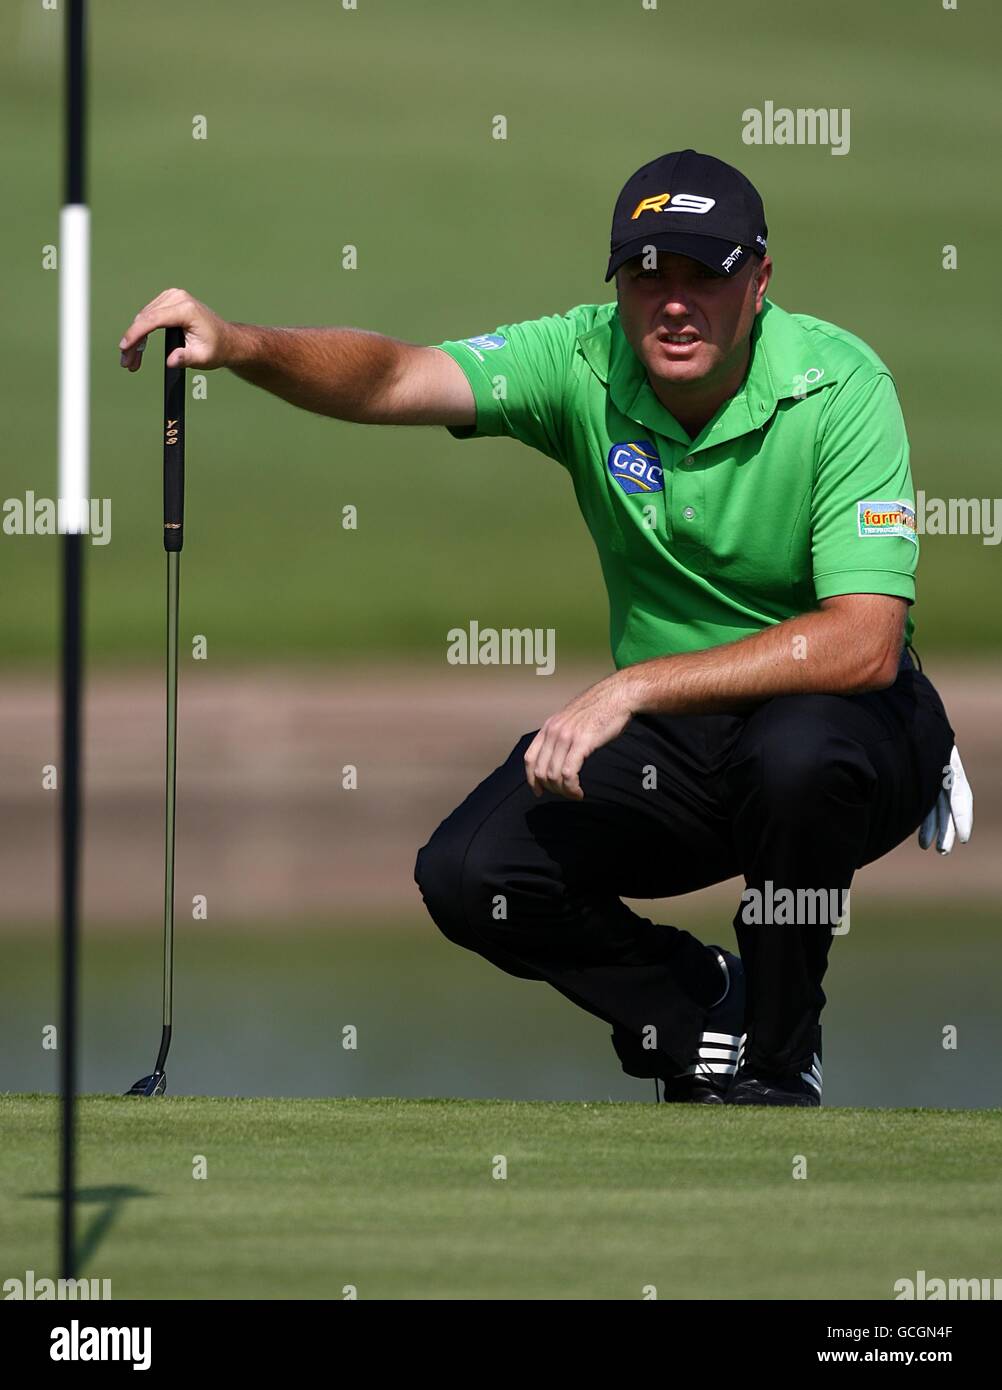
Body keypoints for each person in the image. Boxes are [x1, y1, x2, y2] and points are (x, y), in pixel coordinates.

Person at [119, 149, 971, 1106]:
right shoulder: (581, 357)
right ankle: (704, 1011)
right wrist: (241, 344)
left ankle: (779, 1060)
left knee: (796, 758)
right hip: (689, 748)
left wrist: (632, 686)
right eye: (650, 275)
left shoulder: (841, 385)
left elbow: (865, 642)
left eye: (706, 273)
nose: (675, 302)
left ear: (760, 281)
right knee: (471, 870)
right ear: (619, 285)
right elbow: (397, 376)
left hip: (849, 722)